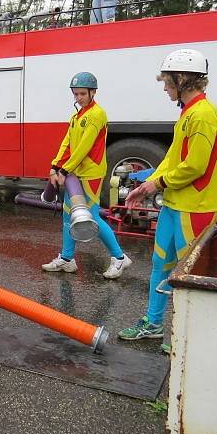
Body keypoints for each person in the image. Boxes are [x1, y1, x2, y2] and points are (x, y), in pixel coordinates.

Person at [119, 49, 217, 342]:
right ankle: (154, 324)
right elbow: (173, 158)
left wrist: (156, 185)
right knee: (161, 265)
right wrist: (147, 185)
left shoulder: (203, 114)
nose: (165, 88)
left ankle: (186, 337)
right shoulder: (188, 113)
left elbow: (195, 165)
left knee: (190, 275)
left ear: (182, 79)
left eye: (167, 82)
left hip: (196, 207)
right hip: (176, 204)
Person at [41, 72, 132, 279]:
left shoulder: (97, 114)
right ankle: (67, 259)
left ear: (93, 92)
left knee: (89, 216)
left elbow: (84, 147)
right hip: (75, 173)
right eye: (75, 94)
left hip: (90, 174)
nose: (78, 98)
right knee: (67, 214)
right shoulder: (77, 116)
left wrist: (64, 170)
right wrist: (55, 165)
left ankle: (119, 258)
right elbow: (67, 143)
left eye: (82, 93)